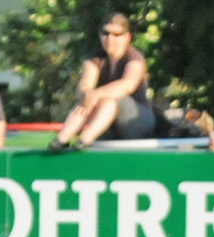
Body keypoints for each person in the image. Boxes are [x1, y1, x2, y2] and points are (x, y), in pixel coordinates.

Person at [50, 13, 155, 151]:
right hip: (108, 122)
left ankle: (84, 139)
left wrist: (95, 94)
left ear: (127, 37)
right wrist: (87, 95)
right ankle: (61, 140)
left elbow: (127, 85)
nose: (110, 39)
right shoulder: (94, 58)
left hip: (137, 121)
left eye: (116, 34)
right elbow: (84, 86)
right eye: (106, 33)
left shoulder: (135, 58)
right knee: (87, 100)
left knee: (108, 100)